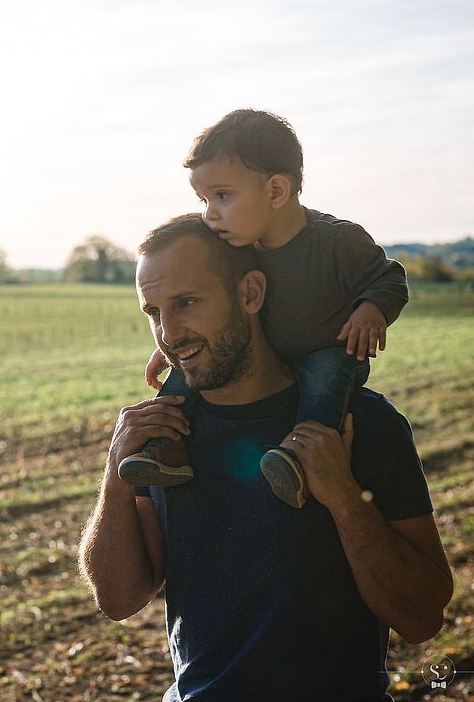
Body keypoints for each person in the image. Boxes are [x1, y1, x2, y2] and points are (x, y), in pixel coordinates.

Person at [78, 214, 453, 702]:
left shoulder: (361, 424)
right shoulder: (163, 438)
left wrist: (342, 496)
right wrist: (114, 479)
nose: (168, 334)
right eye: (153, 312)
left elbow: (422, 617)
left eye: (187, 303)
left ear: (251, 294)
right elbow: (119, 599)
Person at [118, 109, 409, 510]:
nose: (210, 213)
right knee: (186, 374)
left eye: (222, 196)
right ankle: (164, 450)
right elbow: (211, 310)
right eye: (203, 200)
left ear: (276, 192)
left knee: (326, 376)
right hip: (272, 350)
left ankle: (300, 460)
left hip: (328, 349)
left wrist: (371, 309)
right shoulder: (241, 246)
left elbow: (389, 276)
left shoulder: (337, 240)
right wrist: (171, 341)